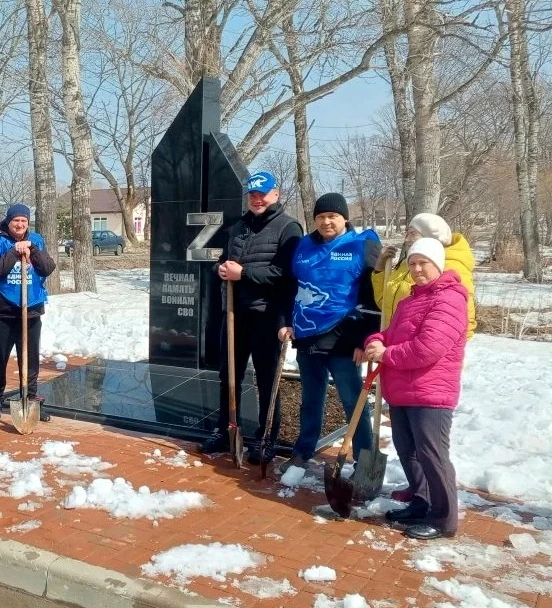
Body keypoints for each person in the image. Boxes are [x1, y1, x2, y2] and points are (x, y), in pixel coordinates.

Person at [364, 238, 468, 540]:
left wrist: (386, 354)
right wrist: (375, 339)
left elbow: (427, 349)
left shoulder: (449, 300)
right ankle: (422, 503)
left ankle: (444, 519)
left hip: (431, 393)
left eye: (423, 262)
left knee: (432, 455)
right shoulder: (410, 301)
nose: (417, 268)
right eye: (412, 263)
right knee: (409, 451)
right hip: (403, 391)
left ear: (438, 264)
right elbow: (390, 333)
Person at [197, 171, 303, 463]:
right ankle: (226, 429)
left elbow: (285, 275)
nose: (257, 199)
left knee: (267, 380)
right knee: (228, 375)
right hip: (234, 313)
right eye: (253, 195)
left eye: (263, 194)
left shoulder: (288, 227)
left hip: (266, 315)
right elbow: (228, 261)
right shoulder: (239, 226)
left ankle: (266, 439)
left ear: (276, 194)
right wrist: (222, 270)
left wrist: (242, 274)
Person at [283, 192, 381, 473]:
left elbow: (373, 297)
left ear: (345, 218)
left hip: (345, 338)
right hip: (308, 336)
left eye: (332, 216)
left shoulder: (362, 245)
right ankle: (303, 451)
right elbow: (291, 287)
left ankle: (364, 461)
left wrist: (366, 339)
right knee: (310, 399)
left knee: (353, 400)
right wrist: (287, 321)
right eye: (321, 217)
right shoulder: (303, 246)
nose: (326, 222)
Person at [0, 204, 56, 423]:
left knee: (30, 359)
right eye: (16, 220)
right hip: (5, 311)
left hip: (31, 310)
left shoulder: (36, 240)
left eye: (23, 221)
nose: (20, 224)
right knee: (0, 358)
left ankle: (31, 398)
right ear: (8, 222)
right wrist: (14, 252)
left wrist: (32, 250)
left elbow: (47, 268)